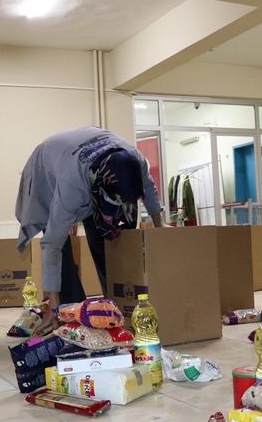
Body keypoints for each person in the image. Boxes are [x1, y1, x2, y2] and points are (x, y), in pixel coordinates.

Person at [16, 126, 163, 326]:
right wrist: (52, 304)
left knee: (108, 243)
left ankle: (116, 303)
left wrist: (160, 228)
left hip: (86, 163)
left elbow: (149, 190)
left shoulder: (135, 160)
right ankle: (69, 313)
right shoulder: (72, 187)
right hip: (47, 166)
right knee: (61, 248)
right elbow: (52, 244)